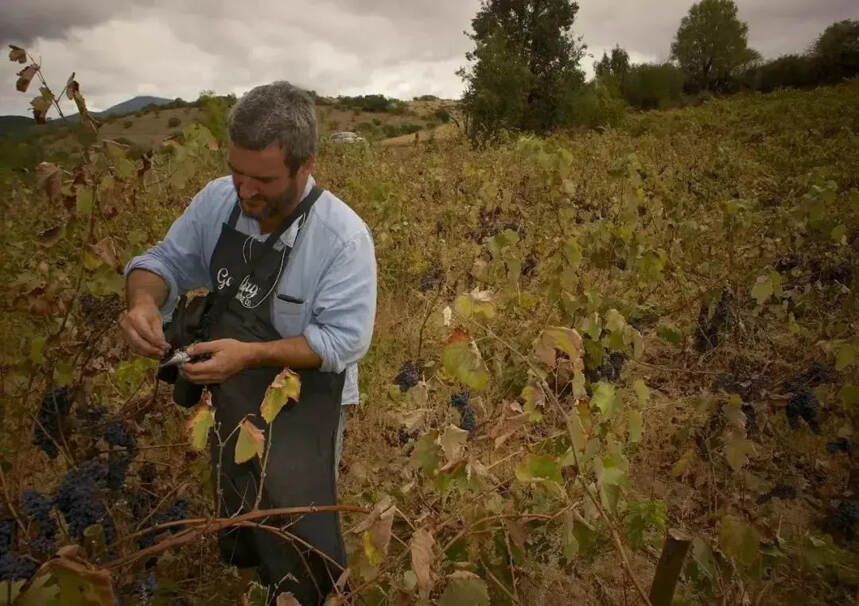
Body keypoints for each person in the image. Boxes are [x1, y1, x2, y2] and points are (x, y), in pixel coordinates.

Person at [119, 81, 377, 604]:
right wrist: (144, 302)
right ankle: (252, 579)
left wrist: (252, 355)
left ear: (305, 167)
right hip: (228, 387)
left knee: (299, 519)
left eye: (263, 179)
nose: (246, 190)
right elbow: (163, 262)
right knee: (240, 494)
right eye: (238, 172)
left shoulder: (342, 239)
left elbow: (343, 341)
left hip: (308, 398)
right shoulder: (218, 200)